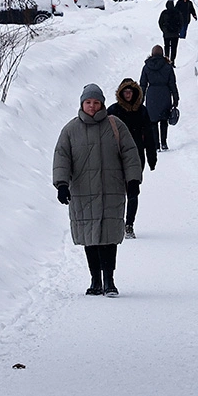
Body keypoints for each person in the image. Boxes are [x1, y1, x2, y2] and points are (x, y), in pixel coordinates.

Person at [54, 83, 143, 296]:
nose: (92, 106)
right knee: (90, 237)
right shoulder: (70, 130)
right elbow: (61, 158)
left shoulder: (115, 125)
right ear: (82, 104)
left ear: (102, 103)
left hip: (111, 190)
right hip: (82, 191)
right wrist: (62, 184)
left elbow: (130, 153)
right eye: (88, 102)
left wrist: (132, 181)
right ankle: (95, 280)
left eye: (95, 102)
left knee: (109, 237)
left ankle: (109, 281)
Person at [107, 78, 156, 239]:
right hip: (116, 155)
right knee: (116, 191)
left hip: (136, 156)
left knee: (133, 190)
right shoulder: (113, 111)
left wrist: (151, 157)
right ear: (121, 93)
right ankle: (117, 222)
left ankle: (129, 225)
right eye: (125, 92)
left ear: (135, 93)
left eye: (131, 92)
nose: (128, 94)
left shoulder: (142, 111)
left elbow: (149, 134)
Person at [140, 45, 179, 151]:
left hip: (152, 94)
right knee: (164, 120)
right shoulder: (167, 66)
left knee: (153, 122)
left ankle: (156, 145)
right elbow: (172, 83)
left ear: (152, 54)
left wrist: (140, 98)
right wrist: (175, 98)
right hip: (165, 94)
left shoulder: (147, 67)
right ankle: (164, 143)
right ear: (162, 54)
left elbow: (143, 84)